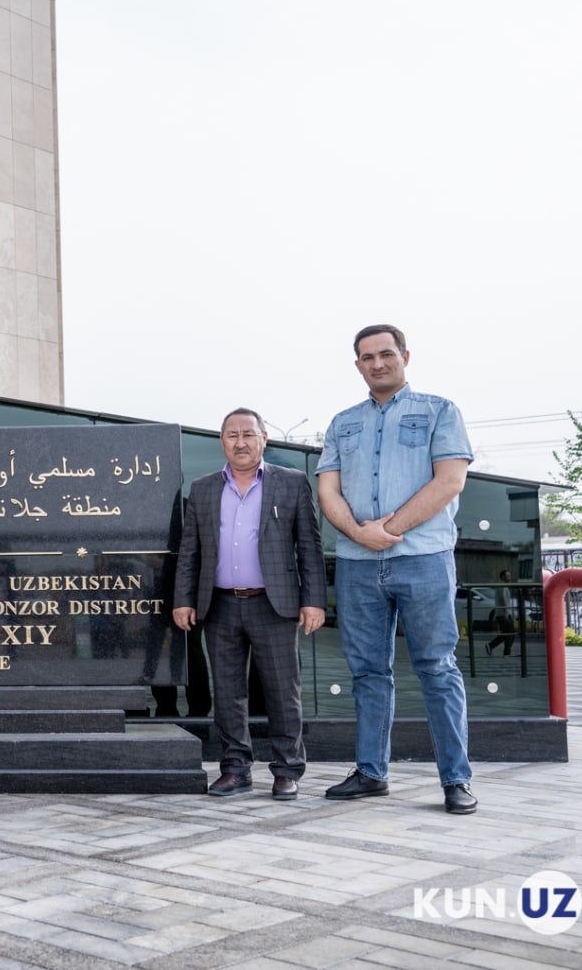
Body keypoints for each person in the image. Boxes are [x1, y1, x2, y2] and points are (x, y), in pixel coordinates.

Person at [317, 323, 478, 815]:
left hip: (423, 559)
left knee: (436, 668)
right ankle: (371, 772)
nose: (378, 363)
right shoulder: (342, 422)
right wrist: (358, 534)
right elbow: (328, 490)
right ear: (358, 365)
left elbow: (450, 481)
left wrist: (387, 528)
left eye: (386, 354)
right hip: (358, 566)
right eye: (367, 357)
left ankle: (456, 780)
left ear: (405, 355)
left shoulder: (439, 411)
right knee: (367, 672)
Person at [173, 408, 327, 800]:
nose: (240, 442)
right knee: (227, 693)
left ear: (263, 439)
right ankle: (235, 769)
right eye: (231, 435)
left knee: (281, 691)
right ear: (221, 441)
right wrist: (183, 599)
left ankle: (287, 769)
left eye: (248, 434)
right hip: (219, 605)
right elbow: (190, 550)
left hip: (273, 605)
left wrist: (313, 601)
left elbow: (309, 546)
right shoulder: (205, 488)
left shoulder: (291, 483)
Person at [486, 569, 517, 656]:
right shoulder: (502, 586)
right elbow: (502, 599)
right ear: (503, 577)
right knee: (510, 634)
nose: (509, 578)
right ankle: (505, 652)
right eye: (507, 576)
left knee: (507, 634)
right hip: (503, 614)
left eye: (509, 576)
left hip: (503, 613)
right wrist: (505, 612)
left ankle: (492, 646)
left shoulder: (504, 586)